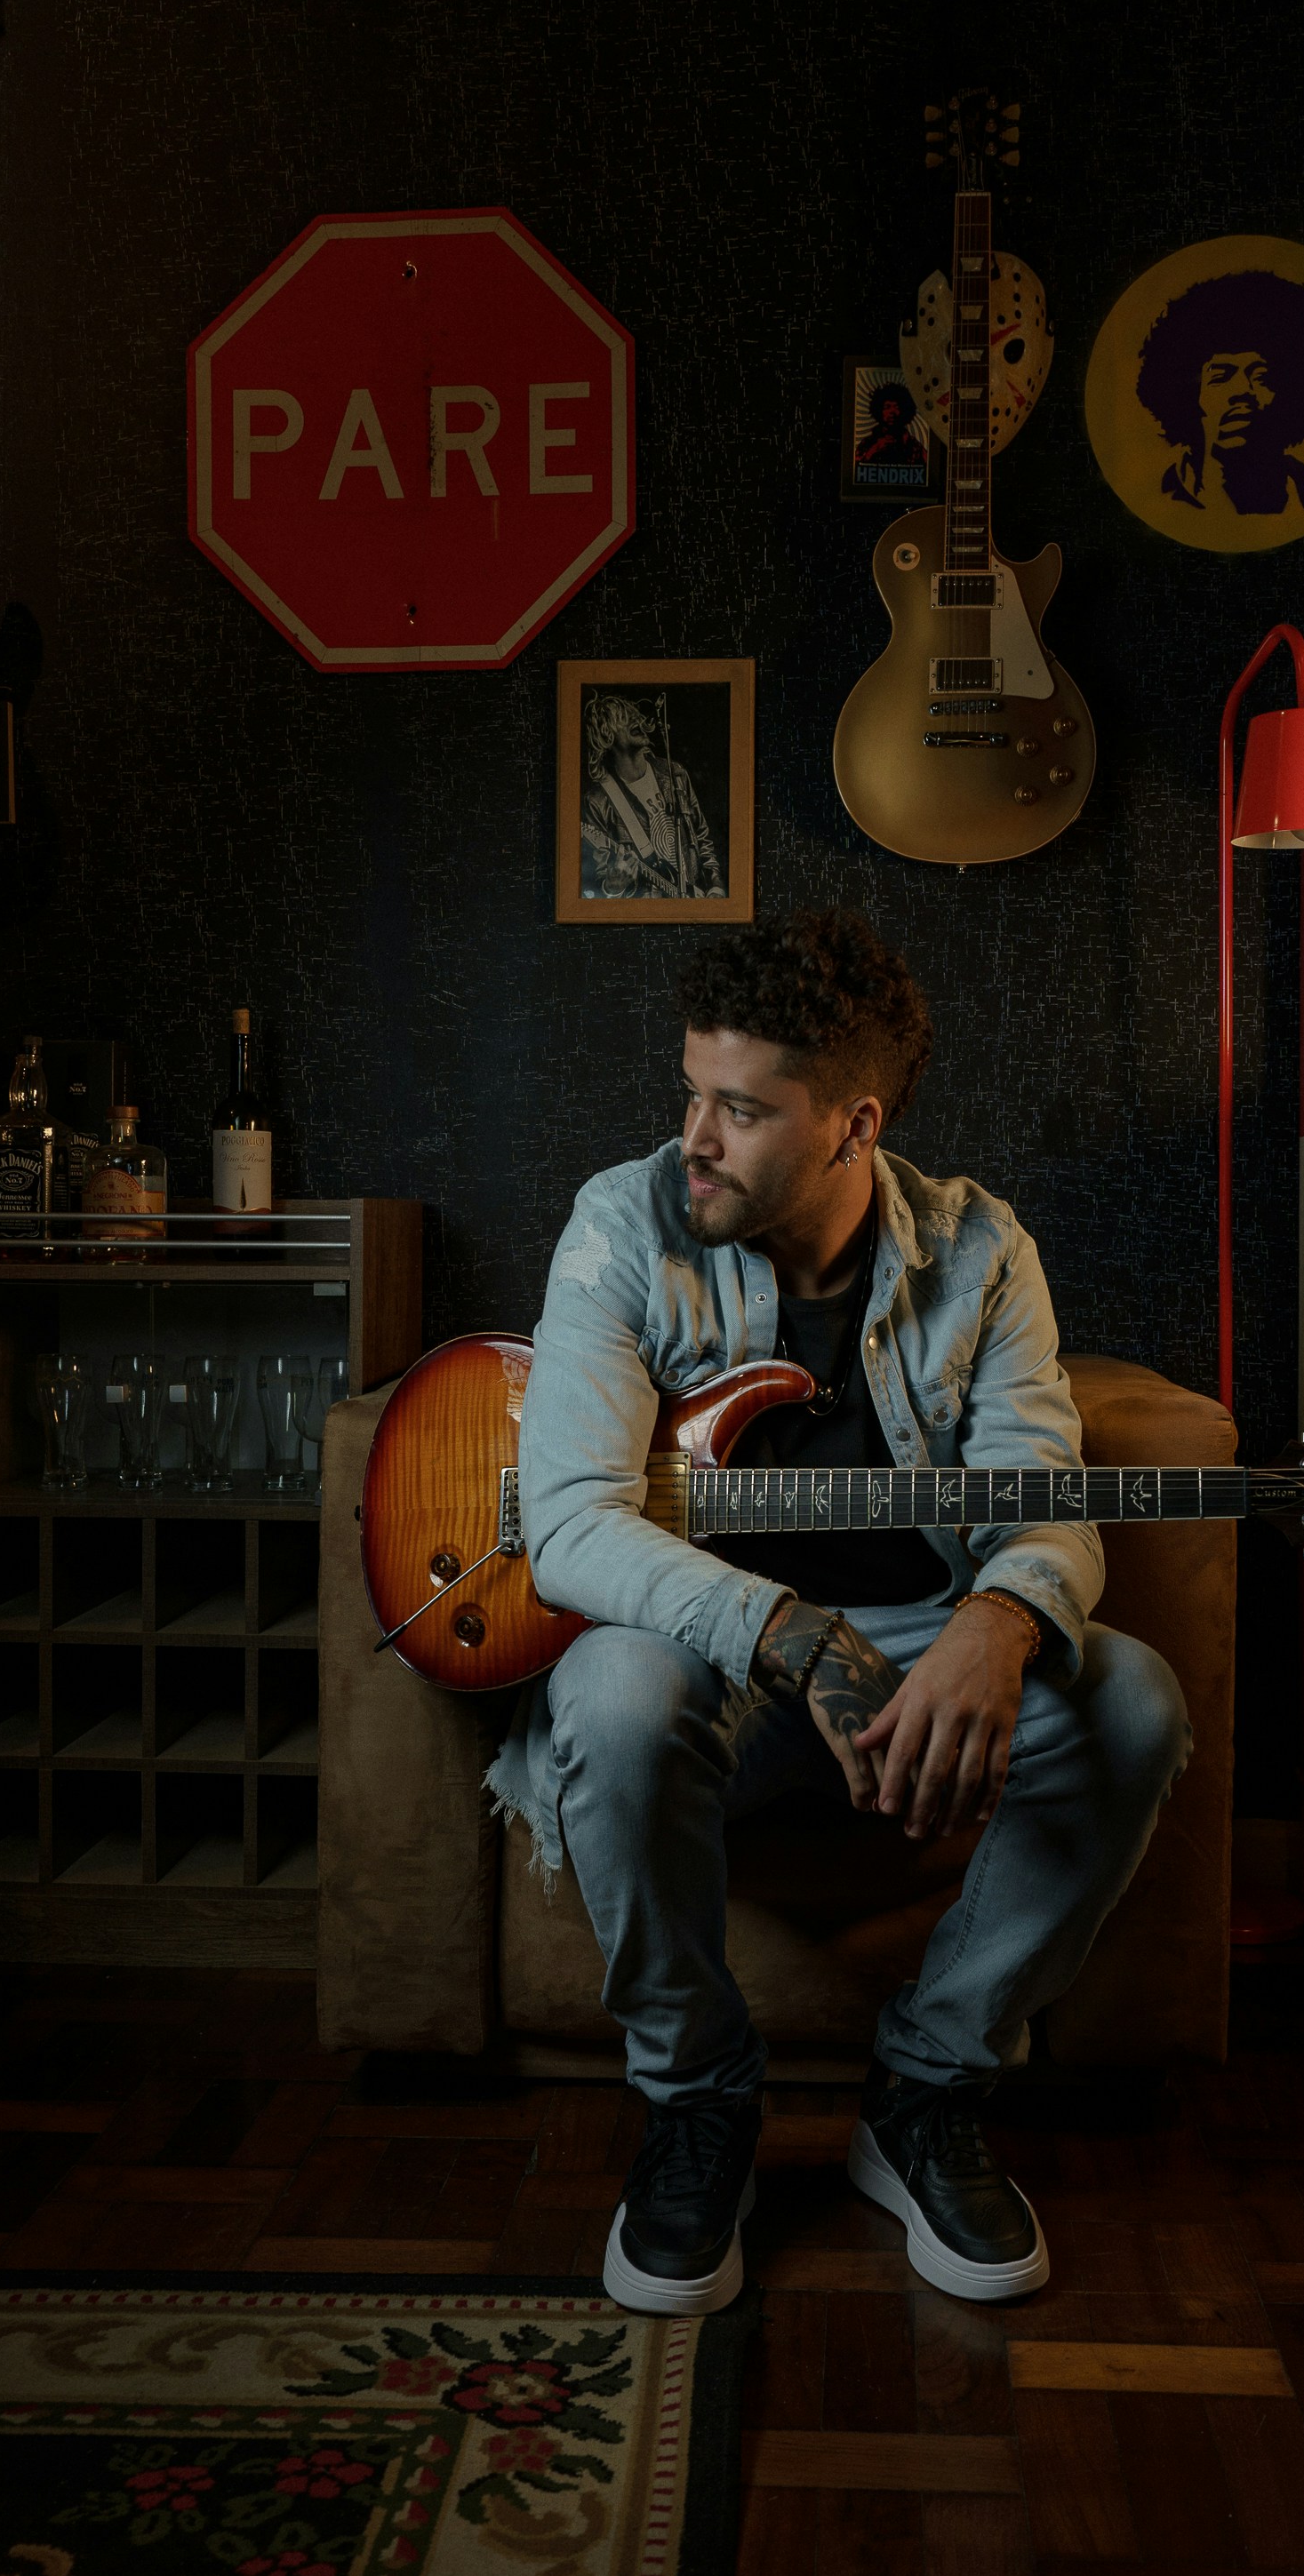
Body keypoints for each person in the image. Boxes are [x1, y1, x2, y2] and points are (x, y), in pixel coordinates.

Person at [488, 908, 1192, 2316]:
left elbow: (1039, 1488)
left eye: (741, 1109)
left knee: (1131, 1701)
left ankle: (925, 2094)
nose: (696, 1134)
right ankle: (699, 2110)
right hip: (715, 1679)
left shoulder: (981, 1252)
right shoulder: (622, 1223)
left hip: (921, 1657)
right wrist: (787, 1637)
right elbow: (567, 1522)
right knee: (614, 1698)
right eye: (692, 1090)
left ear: (853, 1124)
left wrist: (1001, 1624)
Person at [1135, 268, 1304, 519]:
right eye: (1221, 376)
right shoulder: (1153, 500)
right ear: (1186, 394)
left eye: (1261, 376)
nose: (1242, 390)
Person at [580, 692, 723, 900]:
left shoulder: (675, 774)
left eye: (635, 715)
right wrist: (613, 887)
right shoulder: (598, 802)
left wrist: (716, 886)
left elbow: (701, 837)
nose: (637, 720)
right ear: (605, 735)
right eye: (624, 717)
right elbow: (595, 887)